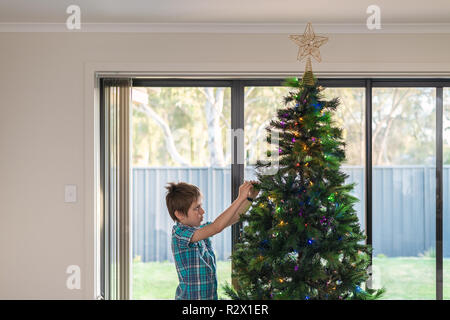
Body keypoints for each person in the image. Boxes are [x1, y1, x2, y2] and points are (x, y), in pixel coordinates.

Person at [165, 180, 259, 300]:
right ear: (179, 214)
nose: (202, 211)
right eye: (197, 208)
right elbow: (216, 227)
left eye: (201, 206)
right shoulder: (180, 234)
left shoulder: (200, 231)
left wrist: (249, 198)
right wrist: (240, 198)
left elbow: (233, 218)